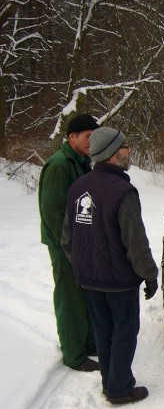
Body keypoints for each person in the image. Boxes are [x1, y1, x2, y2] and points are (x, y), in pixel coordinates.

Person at [61, 127, 158, 405]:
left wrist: (85, 266)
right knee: (124, 332)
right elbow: (135, 243)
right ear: (114, 155)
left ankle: (110, 381)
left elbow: (67, 239)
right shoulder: (122, 192)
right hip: (120, 282)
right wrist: (149, 275)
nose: (129, 151)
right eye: (125, 147)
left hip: (90, 281)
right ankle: (119, 389)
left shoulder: (78, 188)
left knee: (104, 332)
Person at [38, 113, 99, 372]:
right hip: (65, 246)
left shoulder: (82, 162)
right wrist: (71, 247)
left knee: (84, 295)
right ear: (72, 137)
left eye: (94, 137)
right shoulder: (60, 165)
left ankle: (87, 343)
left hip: (80, 243)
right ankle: (73, 355)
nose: (91, 142)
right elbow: (53, 212)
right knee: (70, 297)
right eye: (87, 137)